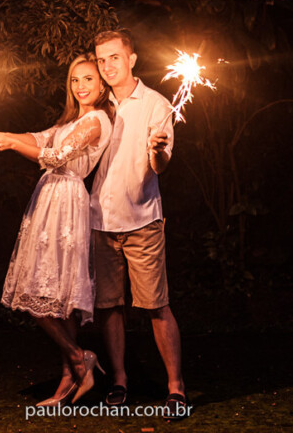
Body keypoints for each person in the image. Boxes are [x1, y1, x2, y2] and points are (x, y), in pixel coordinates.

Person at [0, 53, 114, 407]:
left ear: (102, 84)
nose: (81, 86)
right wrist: (8, 134)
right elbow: (41, 138)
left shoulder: (98, 120)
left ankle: (78, 358)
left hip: (67, 199)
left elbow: (55, 157)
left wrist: (12, 146)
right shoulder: (75, 119)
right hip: (49, 199)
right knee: (56, 302)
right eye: (75, 80)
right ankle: (68, 379)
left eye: (88, 79)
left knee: (41, 295)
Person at [91, 29, 189, 419]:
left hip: (143, 222)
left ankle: (176, 388)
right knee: (110, 307)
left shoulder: (157, 104)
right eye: (101, 59)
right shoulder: (96, 103)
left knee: (156, 307)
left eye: (114, 57)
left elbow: (160, 166)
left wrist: (158, 151)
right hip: (99, 221)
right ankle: (119, 380)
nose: (107, 66)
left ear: (131, 59)